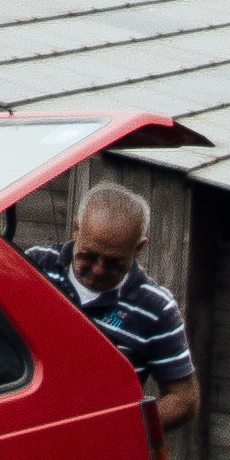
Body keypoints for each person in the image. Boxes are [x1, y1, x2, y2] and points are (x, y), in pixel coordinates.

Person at [30, 188, 200, 439]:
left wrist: (120, 428)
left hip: (96, 450)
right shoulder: (34, 266)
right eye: (89, 255)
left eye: (114, 263)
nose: (98, 270)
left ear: (138, 248)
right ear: (76, 229)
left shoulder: (156, 308)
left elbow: (184, 400)